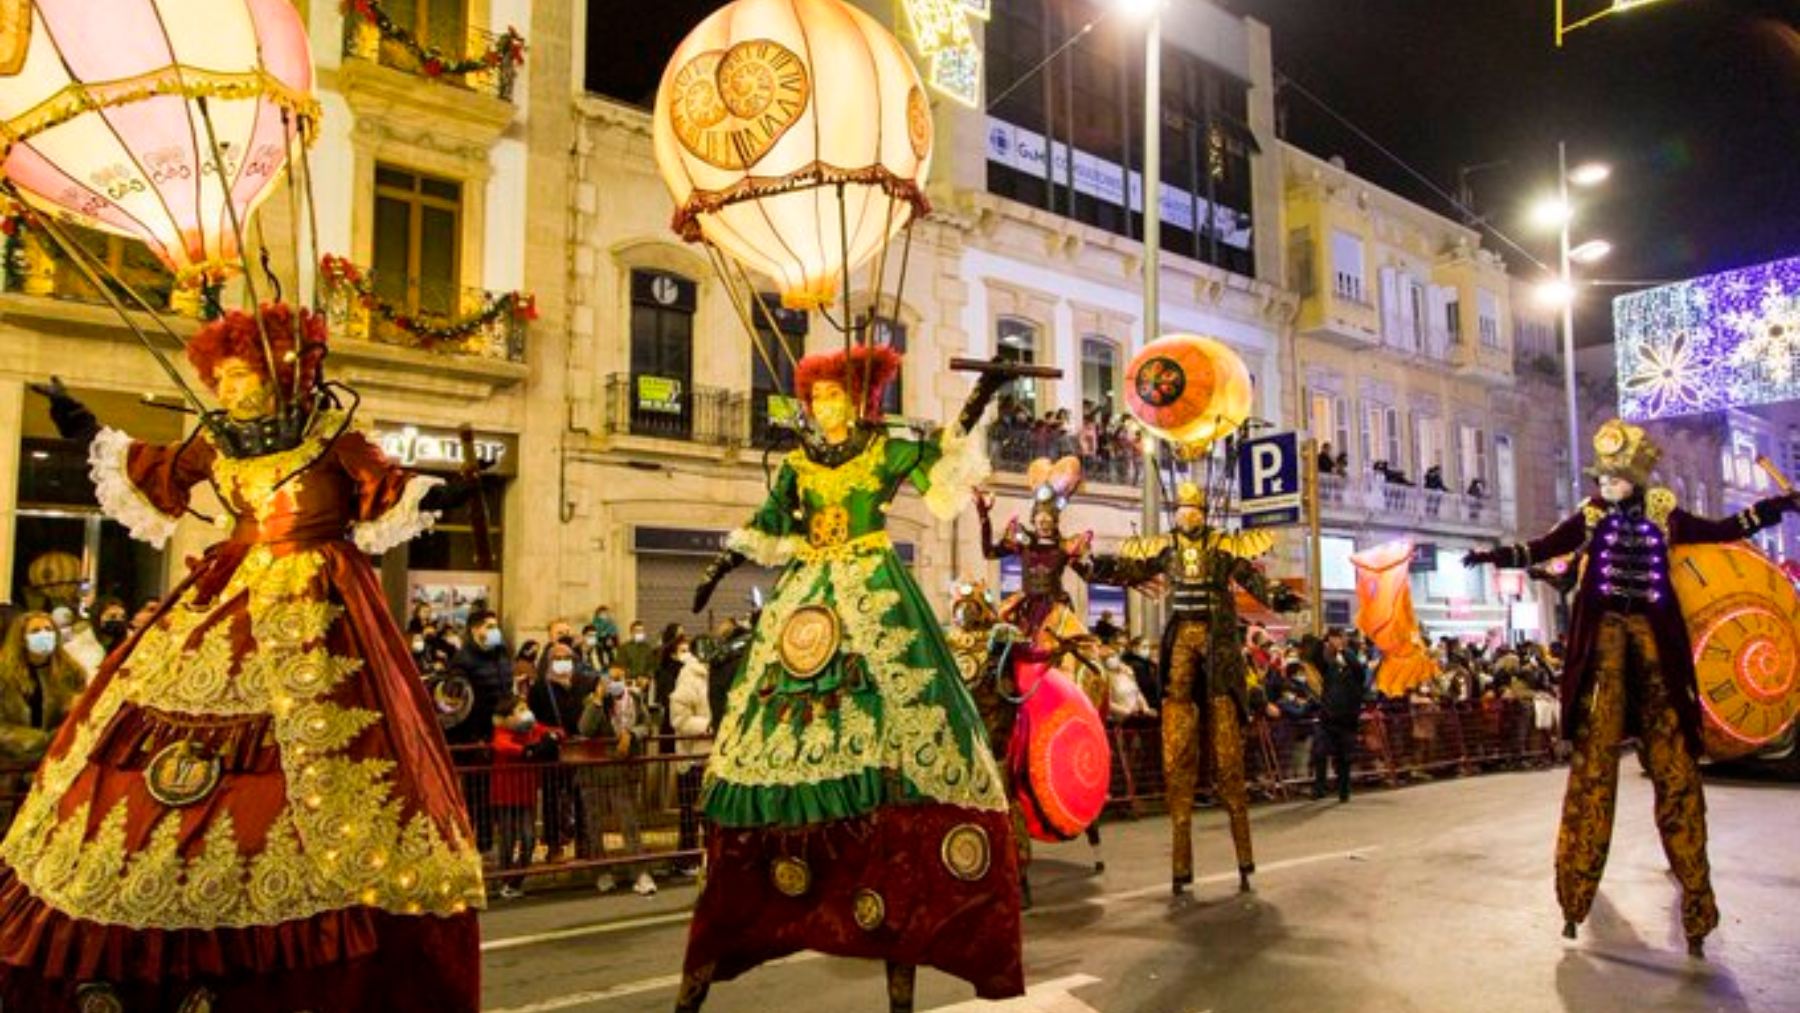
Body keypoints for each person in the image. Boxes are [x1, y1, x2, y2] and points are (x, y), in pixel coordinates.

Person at [4, 307, 483, 1009]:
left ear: (283, 371)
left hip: (321, 602)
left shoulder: (331, 439)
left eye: (240, 374)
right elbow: (155, 468)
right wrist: (82, 425)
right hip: (221, 600)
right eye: (220, 376)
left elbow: (390, 487)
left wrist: (442, 491)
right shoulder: (218, 443)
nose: (229, 389)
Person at [678, 346, 1021, 1010]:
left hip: (872, 589)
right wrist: (717, 566)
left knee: (904, 708)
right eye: (817, 399)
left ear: (858, 399)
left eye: (835, 396)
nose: (823, 408)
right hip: (805, 600)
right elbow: (766, 525)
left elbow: (942, 461)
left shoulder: (883, 449)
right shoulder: (801, 466)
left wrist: (982, 394)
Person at [1464, 418, 1798, 957]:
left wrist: (1770, 511)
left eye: (1614, 478)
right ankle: (1574, 899)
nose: (1605, 485)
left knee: (1677, 777)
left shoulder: (1666, 515)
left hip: (1656, 660)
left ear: (1635, 479)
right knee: (1592, 776)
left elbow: (1724, 530)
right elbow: (1543, 546)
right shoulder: (1592, 517)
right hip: (1604, 662)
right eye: (1603, 478)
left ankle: (1697, 908)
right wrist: (1492, 557)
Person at [1091, 480, 1303, 895]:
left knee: (1227, 755)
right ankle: (1180, 864)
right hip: (1183, 640)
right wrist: (1096, 564)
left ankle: (1243, 856)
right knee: (1178, 751)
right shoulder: (1168, 547)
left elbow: (1250, 580)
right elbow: (1133, 569)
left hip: (1217, 645)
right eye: (1183, 506)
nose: (1188, 513)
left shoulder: (1223, 547)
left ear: (1202, 510)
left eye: (1194, 507)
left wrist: (1280, 597)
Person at [580, 664, 655, 896]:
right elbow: (585, 728)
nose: (615, 683)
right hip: (596, 774)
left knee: (629, 823)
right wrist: (597, 700)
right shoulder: (593, 702)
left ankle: (640, 872)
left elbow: (647, 725)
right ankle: (602, 872)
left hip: (624, 772)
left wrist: (631, 734)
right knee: (595, 825)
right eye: (610, 679)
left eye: (619, 678)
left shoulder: (635, 698)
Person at [489, 695, 560, 899]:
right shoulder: (502, 732)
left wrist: (551, 738)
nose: (525, 712)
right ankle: (505, 881)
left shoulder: (531, 729)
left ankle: (516, 879)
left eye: (525, 708)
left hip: (526, 793)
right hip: (505, 795)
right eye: (520, 709)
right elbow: (502, 745)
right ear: (508, 716)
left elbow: (554, 732)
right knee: (508, 840)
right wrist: (527, 751)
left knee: (529, 839)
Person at [0, 611, 86, 761]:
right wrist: (43, 740)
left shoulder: (72, 672)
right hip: (11, 762)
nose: (44, 634)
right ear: (21, 639)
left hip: (58, 758)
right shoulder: (4, 675)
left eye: (49, 629)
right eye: (35, 631)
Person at [668, 635, 711, 861]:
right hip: (692, 757)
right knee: (690, 814)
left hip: (713, 757)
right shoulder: (689, 676)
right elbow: (679, 719)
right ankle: (687, 858)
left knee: (711, 815)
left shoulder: (718, 673)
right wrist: (709, 726)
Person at [1311, 628, 1365, 802]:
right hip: (1327, 718)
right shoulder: (1330, 670)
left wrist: (1342, 648)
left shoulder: (1357, 674)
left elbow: (1356, 666)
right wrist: (1323, 640)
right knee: (1319, 752)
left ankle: (1344, 790)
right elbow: (1316, 658)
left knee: (1344, 758)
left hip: (1347, 721)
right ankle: (1319, 788)